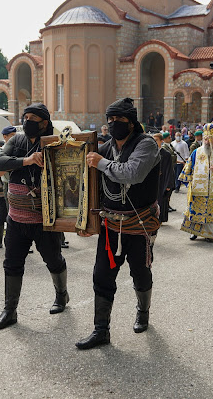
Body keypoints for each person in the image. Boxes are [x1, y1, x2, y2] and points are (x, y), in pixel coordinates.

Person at [75, 98, 161, 349]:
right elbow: (87, 182)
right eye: (109, 120)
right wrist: (82, 218)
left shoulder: (146, 144)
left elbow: (133, 174)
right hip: (110, 225)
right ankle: (101, 330)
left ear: (131, 122)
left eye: (119, 120)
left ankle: (143, 311)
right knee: (102, 275)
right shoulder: (105, 147)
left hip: (139, 224)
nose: (113, 124)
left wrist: (100, 163)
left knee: (140, 273)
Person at [0, 103, 68, 330]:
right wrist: (26, 160)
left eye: (32, 117)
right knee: (11, 263)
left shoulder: (55, 141)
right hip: (16, 218)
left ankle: (62, 295)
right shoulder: (17, 141)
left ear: (44, 122)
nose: (27, 121)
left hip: (45, 219)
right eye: (25, 117)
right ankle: (10, 311)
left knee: (53, 260)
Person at [178, 123, 213, 242]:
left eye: (209, 139)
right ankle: (194, 232)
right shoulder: (197, 152)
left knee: (210, 213)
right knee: (195, 210)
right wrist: (188, 181)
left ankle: (209, 234)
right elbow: (189, 166)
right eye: (205, 139)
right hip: (197, 188)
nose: (206, 141)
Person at [152, 133, 174, 223]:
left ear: (161, 141)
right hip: (152, 180)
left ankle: (160, 218)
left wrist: (168, 184)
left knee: (161, 199)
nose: (155, 142)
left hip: (162, 180)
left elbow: (169, 170)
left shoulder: (166, 154)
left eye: (156, 140)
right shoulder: (150, 153)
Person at [161, 132, 177, 213]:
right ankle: (166, 206)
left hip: (172, 168)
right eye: (168, 137)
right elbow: (171, 158)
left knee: (170, 189)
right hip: (167, 170)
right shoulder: (164, 148)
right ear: (164, 139)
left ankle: (168, 205)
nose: (170, 138)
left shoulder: (170, 146)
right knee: (167, 190)